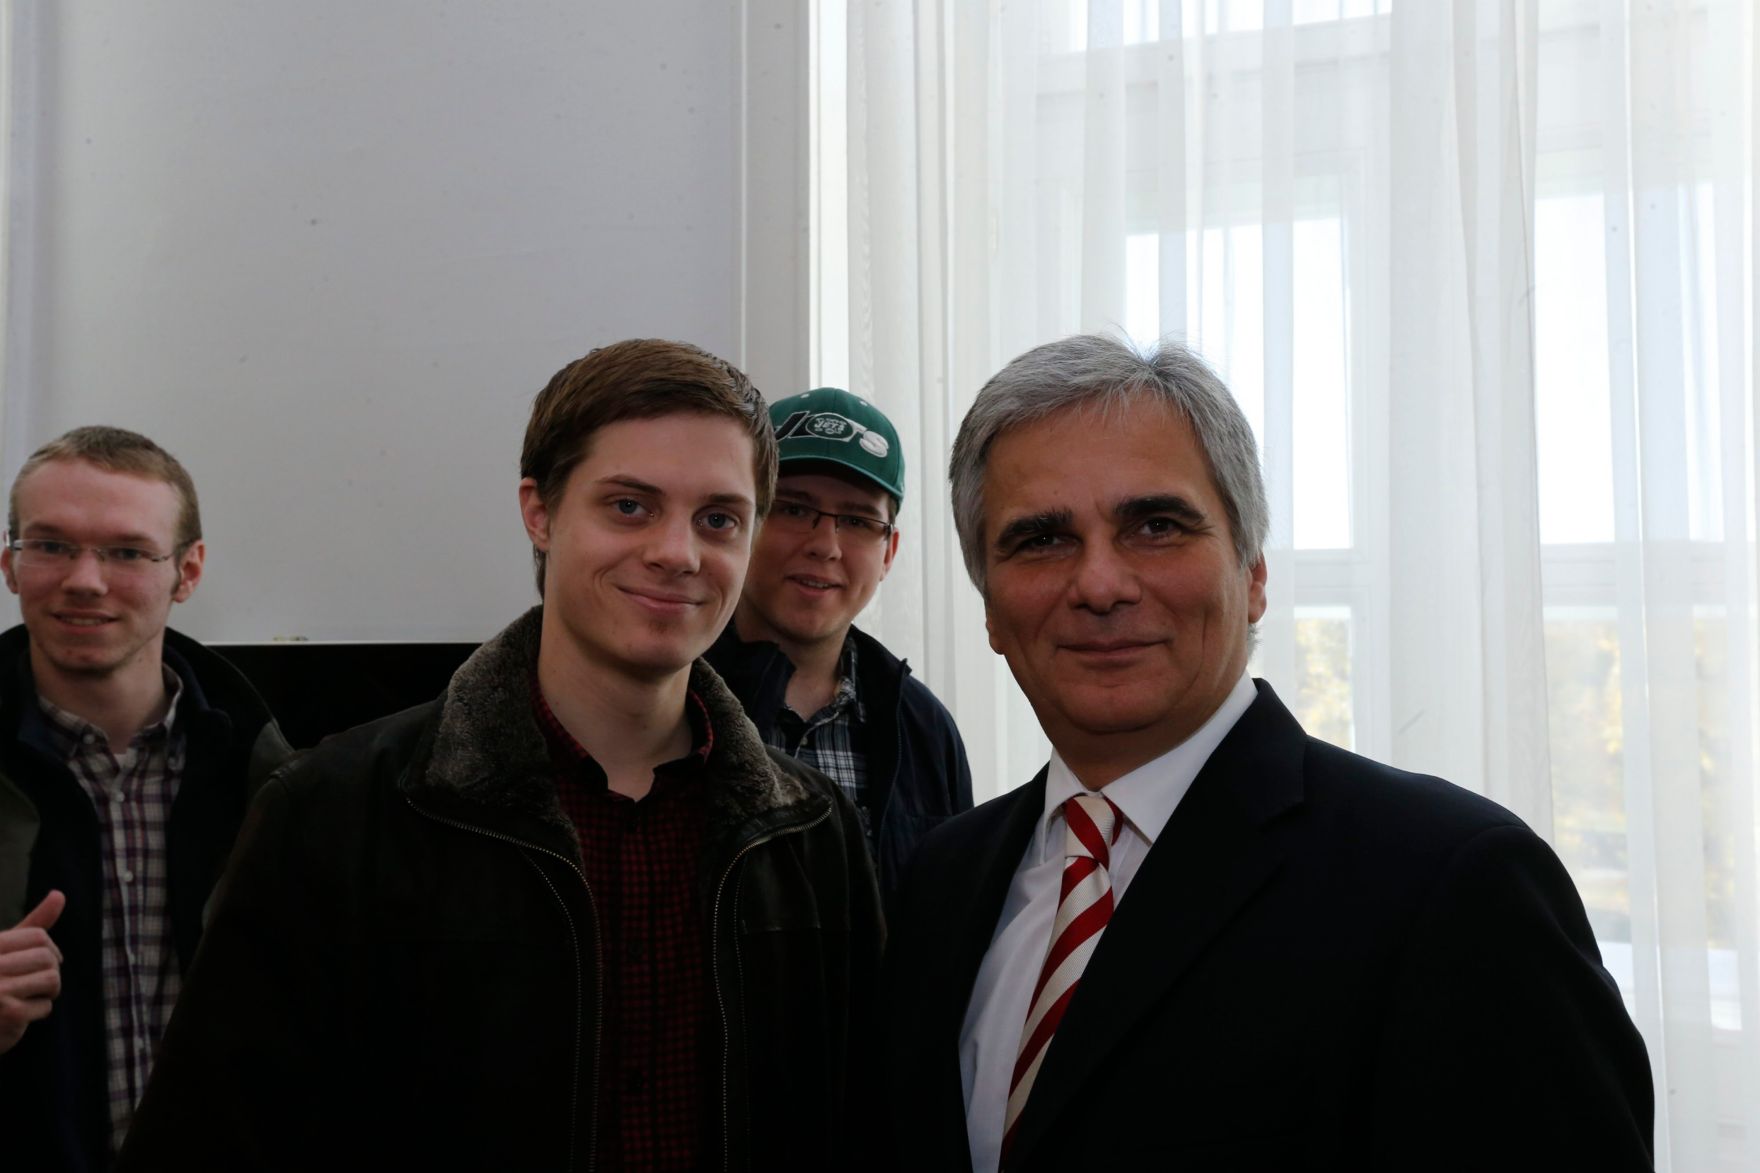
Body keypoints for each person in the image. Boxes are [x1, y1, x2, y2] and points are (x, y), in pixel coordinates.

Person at [884, 334, 1654, 1171]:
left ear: (1252, 571)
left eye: (1155, 525)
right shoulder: (941, 880)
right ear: (991, 607)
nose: (1099, 584)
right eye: (1040, 540)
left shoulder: (1453, 884)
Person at [119, 340, 883, 1172]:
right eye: (629, 506)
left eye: (719, 519)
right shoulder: (335, 811)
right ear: (540, 511)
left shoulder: (810, 833)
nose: (678, 551)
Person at [0, 426, 292, 1172]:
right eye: (51, 545)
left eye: (127, 552)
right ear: (10, 563)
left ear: (187, 571)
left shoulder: (280, 786)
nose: (85, 579)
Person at [706, 388, 971, 902]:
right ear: (745, 521)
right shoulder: (674, 696)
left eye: (856, 521)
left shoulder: (923, 729)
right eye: (794, 508)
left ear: (889, 551)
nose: (825, 546)